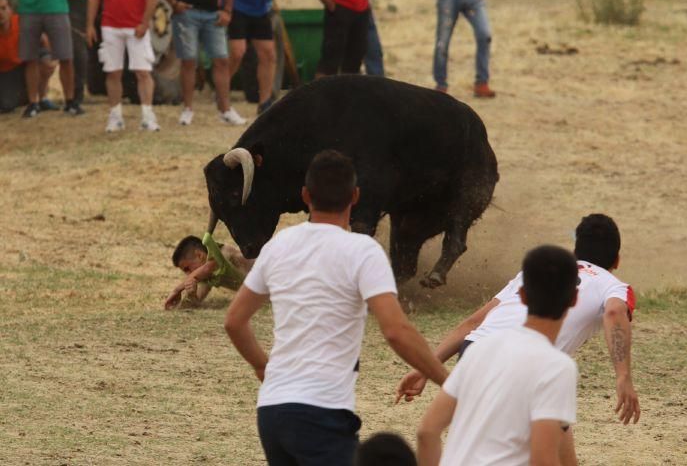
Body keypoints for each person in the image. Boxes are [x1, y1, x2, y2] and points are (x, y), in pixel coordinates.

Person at [224, 149, 448, 466]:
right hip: (321, 411)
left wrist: (264, 367)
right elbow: (396, 331)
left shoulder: (279, 246)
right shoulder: (361, 251)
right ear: (355, 196)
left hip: (272, 411)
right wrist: (447, 381)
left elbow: (234, 321)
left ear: (305, 195)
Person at [400, 214, 640, 459]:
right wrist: (623, 376)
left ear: (575, 250)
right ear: (617, 260)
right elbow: (614, 311)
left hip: (476, 346)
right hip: (530, 363)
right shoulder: (613, 286)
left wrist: (426, 368)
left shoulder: (534, 275)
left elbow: (473, 322)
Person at [417, 245, 580, 466]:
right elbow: (543, 459)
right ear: (574, 299)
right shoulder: (557, 367)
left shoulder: (480, 349)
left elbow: (427, 432)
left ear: (521, 295)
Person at [87, 0, 161, 132]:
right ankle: (115, 116)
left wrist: (145, 22)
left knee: (143, 72)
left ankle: (148, 115)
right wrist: (90, 24)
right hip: (110, 25)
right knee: (112, 72)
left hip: (136, 26)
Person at [0, 0, 58, 113]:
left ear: (11, 9)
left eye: (3, 8)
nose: (0, 13)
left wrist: (51, 56)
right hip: (5, 71)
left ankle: (42, 98)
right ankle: (25, 97)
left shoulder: (21, 22)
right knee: (7, 105)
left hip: (25, 65)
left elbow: (43, 39)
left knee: (47, 63)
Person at [165, 235, 254, 309]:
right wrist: (191, 295)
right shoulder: (207, 277)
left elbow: (208, 268)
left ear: (200, 255)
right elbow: (195, 304)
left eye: (187, 268)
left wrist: (177, 290)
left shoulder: (225, 252)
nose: (188, 274)